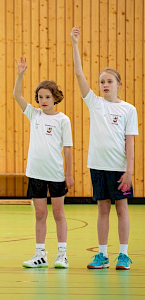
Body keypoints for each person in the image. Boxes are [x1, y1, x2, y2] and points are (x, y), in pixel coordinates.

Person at [71, 27, 138, 270]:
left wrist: (129, 170)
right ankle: (101, 255)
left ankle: (123, 255)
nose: (105, 85)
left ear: (118, 83)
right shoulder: (94, 103)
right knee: (102, 209)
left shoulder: (128, 109)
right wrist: (75, 43)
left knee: (121, 209)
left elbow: (130, 141)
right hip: (97, 166)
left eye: (109, 81)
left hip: (119, 168)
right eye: (101, 82)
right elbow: (79, 74)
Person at [13, 57, 74, 269]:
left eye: (47, 96)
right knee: (40, 214)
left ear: (55, 98)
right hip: (36, 173)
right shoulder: (34, 115)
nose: (43, 100)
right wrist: (20, 73)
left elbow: (67, 149)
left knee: (58, 214)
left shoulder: (63, 120)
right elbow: (16, 95)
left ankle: (62, 254)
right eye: (40, 97)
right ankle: (40, 254)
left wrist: (69, 174)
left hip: (56, 174)